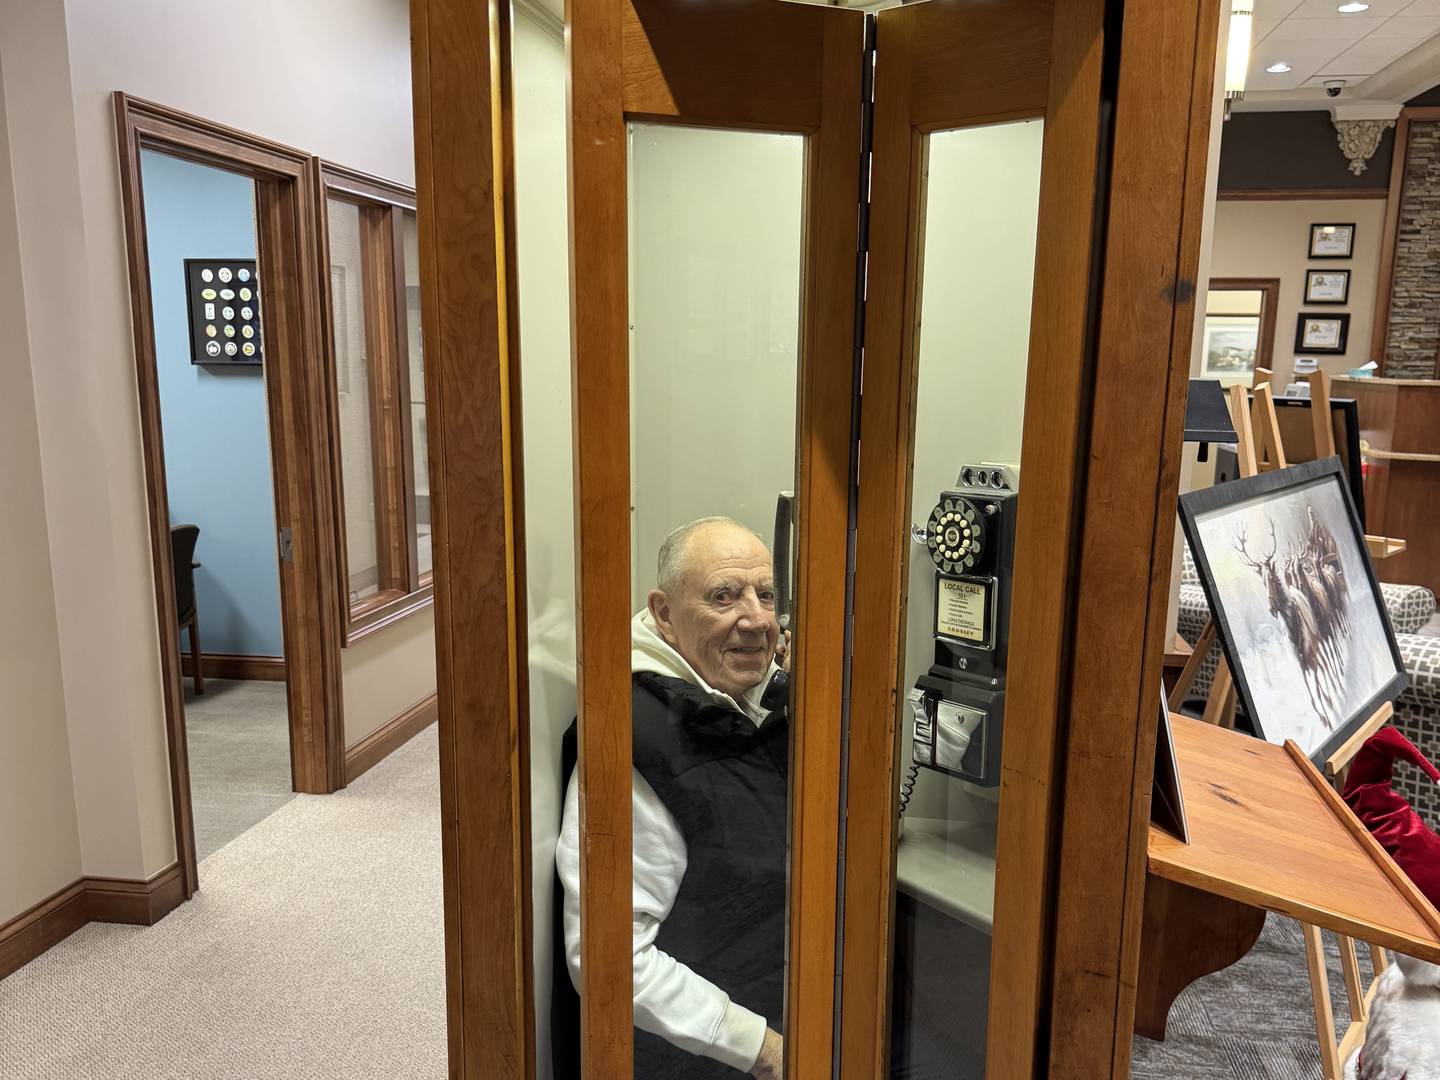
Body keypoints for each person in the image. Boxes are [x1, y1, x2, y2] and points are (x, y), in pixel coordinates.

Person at [555, 517, 790, 1079]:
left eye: (766, 595)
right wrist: (767, 1051)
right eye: (723, 597)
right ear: (663, 614)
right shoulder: (635, 741)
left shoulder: (741, 702)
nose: (756, 618)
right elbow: (611, 958)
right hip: (711, 1055)